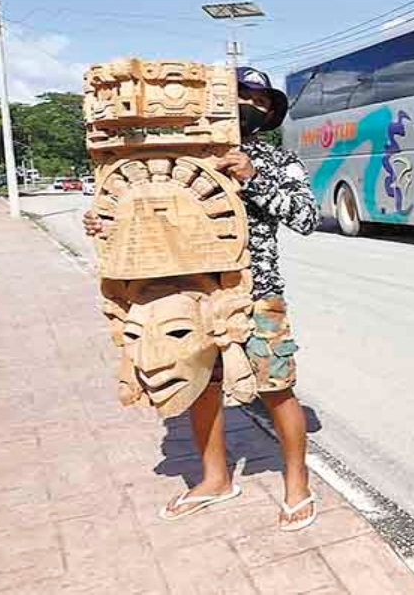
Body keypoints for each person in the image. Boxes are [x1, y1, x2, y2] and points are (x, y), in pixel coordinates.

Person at [84, 66, 322, 530]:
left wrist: (254, 177)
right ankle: (215, 478)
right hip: (181, 296)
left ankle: (298, 484)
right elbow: (129, 215)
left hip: (255, 295)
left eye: (259, 99)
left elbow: (306, 218)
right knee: (202, 390)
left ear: (270, 111)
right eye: (239, 96)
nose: (249, 104)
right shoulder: (182, 155)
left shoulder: (277, 161)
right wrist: (100, 224)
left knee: (276, 389)